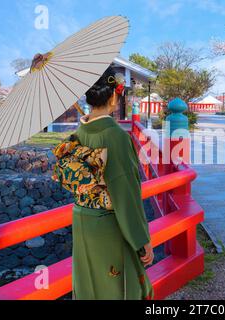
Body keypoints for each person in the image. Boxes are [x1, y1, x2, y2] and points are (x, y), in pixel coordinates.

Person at [59, 66, 154, 300]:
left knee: (89, 285)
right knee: (120, 288)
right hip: (110, 225)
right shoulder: (116, 137)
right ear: (114, 96)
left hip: (82, 220)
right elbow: (126, 193)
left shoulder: (77, 136)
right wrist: (142, 240)